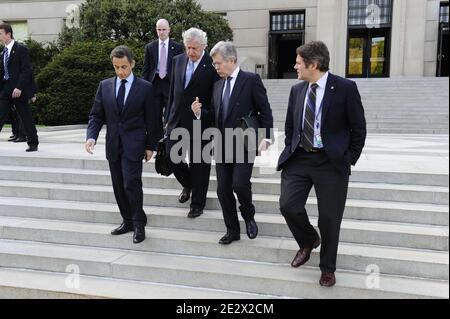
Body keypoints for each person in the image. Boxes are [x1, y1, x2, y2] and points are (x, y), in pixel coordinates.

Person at [277, 41, 367, 287]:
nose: (294, 66)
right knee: (288, 205)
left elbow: (358, 128)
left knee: (329, 218)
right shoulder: (297, 90)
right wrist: (290, 145)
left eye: (298, 62)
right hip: (300, 158)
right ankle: (308, 240)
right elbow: (289, 125)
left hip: (331, 162)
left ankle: (327, 267)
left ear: (313, 65)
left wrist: (349, 157)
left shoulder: (345, 88)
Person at [192, 41, 274, 245]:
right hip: (221, 145)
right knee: (222, 190)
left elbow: (265, 109)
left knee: (240, 184)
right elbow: (216, 114)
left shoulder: (251, 80)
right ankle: (232, 230)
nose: (216, 67)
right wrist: (200, 112)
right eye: (214, 64)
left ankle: (248, 215)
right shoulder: (218, 85)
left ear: (231, 60)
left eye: (218, 63)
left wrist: (267, 137)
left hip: (245, 143)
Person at [85, 45, 158, 244]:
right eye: (116, 67)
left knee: (131, 184)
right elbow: (96, 115)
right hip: (113, 145)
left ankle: (139, 223)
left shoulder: (145, 88)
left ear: (132, 63)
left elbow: (153, 120)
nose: (120, 71)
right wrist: (91, 136)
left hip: (134, 145)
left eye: (124, 67)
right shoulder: (105, 85)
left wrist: (151, 145)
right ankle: (127, 220)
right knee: (118, 185)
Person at [165, 27, 220, 219]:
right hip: (177, 120)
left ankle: (197, 203)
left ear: (204, 46)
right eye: (188, 48)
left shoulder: (212, 65)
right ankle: (188, 184)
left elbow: (216, 98)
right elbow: (173, 92)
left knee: (199, 164)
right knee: (173, 158)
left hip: (200, 122)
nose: (190, 52)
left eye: (194, 49)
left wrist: (207, 115)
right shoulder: (177, 60)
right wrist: (167, 119)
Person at [0, 22, 39, 152]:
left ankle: (33, 142)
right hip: (6, 90)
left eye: (0, 34)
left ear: (8, 34)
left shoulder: (21, 49)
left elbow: (27, 70)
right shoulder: (3, 52)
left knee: (25, 117)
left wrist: (20, 87)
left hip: (18, 90)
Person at [142, 19, 183, 139]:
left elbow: (180, 68)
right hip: (155, 83)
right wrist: (143, 86)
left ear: (169, 29)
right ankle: (158, 140)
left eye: (164, 29)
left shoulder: (177, 47)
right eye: (159, 29)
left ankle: (169, 136)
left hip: (170, 83)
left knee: (170, 112)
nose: (161, 32)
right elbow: (146, 68)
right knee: (155, 113)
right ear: (156, 30)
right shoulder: (150, 47)